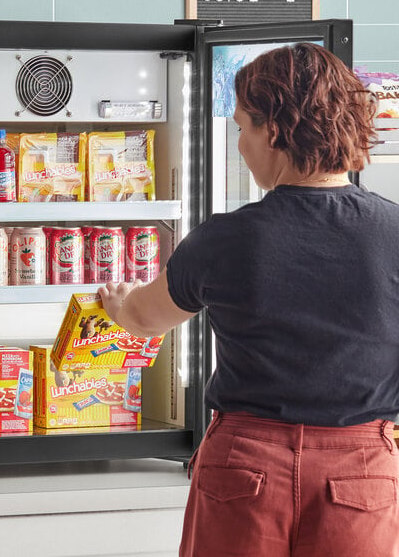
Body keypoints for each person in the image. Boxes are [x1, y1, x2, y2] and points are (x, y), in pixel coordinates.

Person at [98, 43, 399, 557]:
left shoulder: (227, 239)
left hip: (245, 464)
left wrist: (118, 301)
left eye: (241, 127)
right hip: (361, 472)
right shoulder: (395, 231)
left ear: (273, 130)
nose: (239, 142)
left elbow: (145, 319)